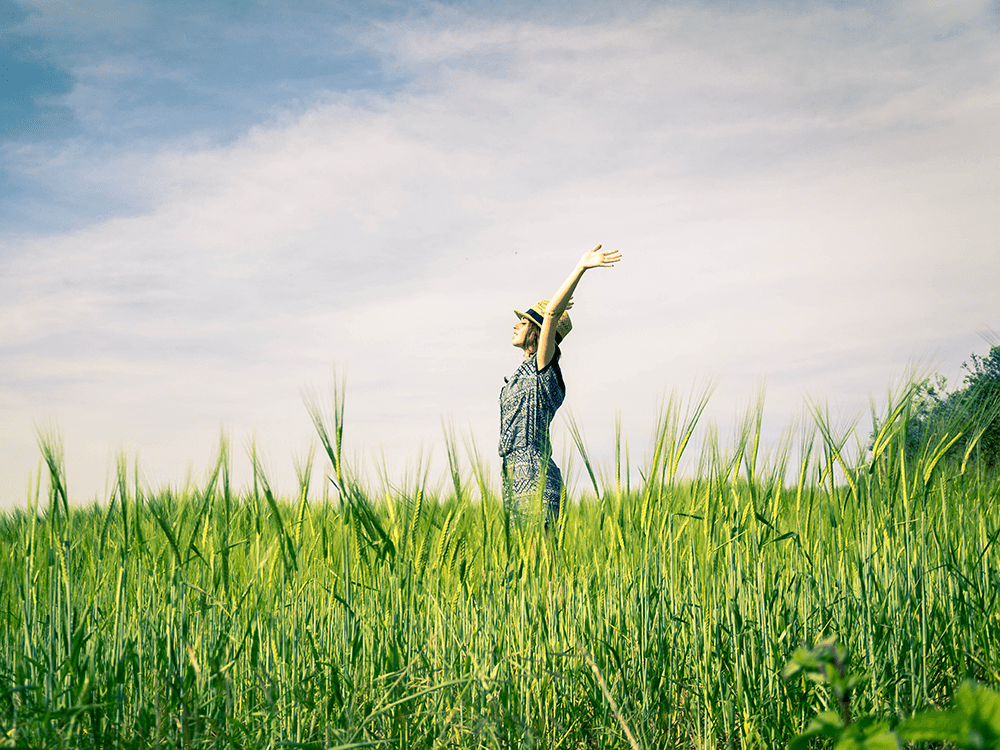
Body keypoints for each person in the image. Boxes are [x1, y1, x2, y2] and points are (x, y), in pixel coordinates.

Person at [498, 244, 623, 526]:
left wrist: (581, 267)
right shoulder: (520, 374)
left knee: (541, 558)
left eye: (524, 322)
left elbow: (551, 315)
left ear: (539, 332)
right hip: (510, 473)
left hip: (533, 472)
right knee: (526, 563)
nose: (516, 326)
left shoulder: (543, 367)